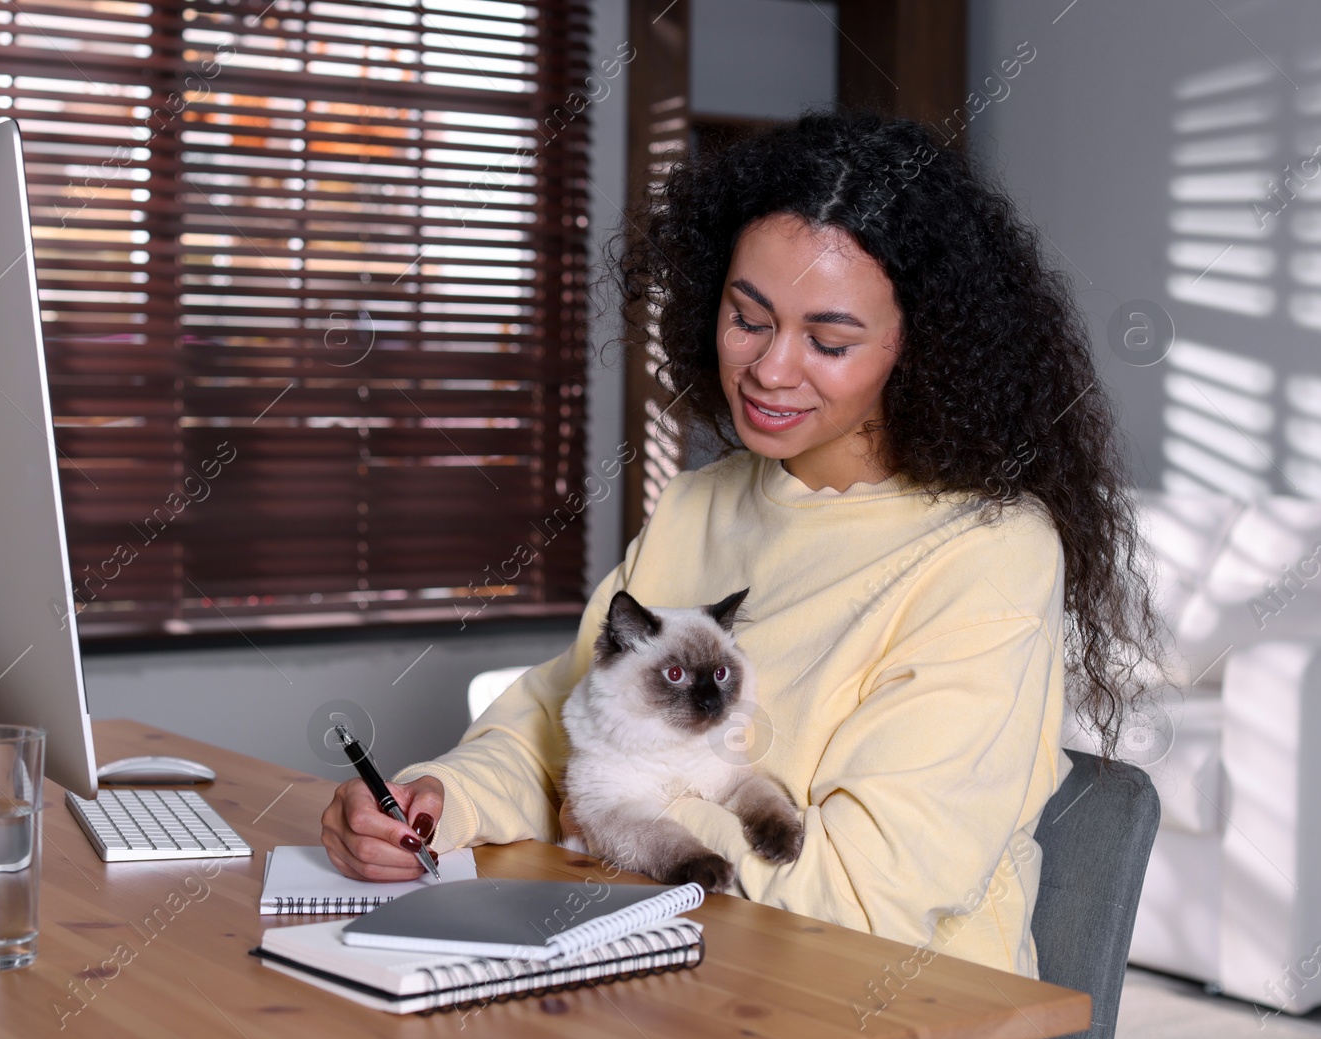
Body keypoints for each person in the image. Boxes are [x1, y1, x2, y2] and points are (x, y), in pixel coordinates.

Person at [319, 107, 1168, 981]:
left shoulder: (990, 552)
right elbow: (552, 723)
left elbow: (867, 896)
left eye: (829, 340)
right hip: (678, 963)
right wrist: (436, 801)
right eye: (748, 316)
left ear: (922, 351)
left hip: (888, 1010)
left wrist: (616, 813)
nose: (769, 369)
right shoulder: (696, 504)